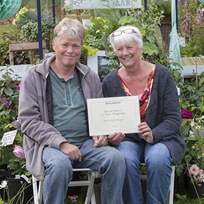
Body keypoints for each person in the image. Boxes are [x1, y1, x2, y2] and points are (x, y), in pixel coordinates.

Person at [18, 18, 126, 204]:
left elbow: (99, 113)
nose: (70, 50)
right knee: (60, 164)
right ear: (54, 44)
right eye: (65, 44)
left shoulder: (89, 76)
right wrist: (61, 143)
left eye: (75, 46)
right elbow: (28, 121)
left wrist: (102, 132)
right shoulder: (34, 77)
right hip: (48, 147)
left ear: (82, 47)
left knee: (115, 159)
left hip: (85, 145)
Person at [102, 25, 186, 204]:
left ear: (140, 48)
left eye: (129, 47)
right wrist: (112, 136)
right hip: (127, 140)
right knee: (124, 158)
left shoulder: (162, 75)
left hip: (161, 138)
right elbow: (106, 119)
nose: (125, 53)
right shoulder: (110, 81)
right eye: (120, 49)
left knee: (158, 158)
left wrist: (153, 133)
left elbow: (173, 118)